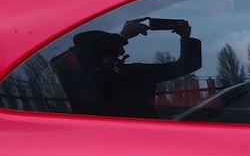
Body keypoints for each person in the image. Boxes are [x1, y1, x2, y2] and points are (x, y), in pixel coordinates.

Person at [52, 17, 202, 118]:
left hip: (147, 139)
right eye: (108, 49)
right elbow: (75, 59)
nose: (119, 52)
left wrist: (186, 39)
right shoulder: (75, 74)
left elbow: (186, 65)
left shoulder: (134, 73)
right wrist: (122, 36)